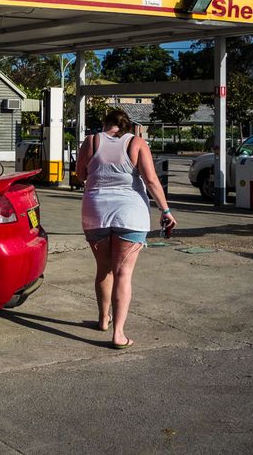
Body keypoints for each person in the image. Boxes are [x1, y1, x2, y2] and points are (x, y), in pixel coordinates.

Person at [76, 108, 176, 349]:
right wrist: (165, 210)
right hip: (130, 214)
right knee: (123, 273)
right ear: (127, 126)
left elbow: (80, 175)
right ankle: (118, 333)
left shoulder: (91, 141)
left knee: (103, 269)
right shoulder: (137, 143)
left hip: (96, 212)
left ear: (105, 123)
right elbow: (151, 180)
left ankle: (103, 320)